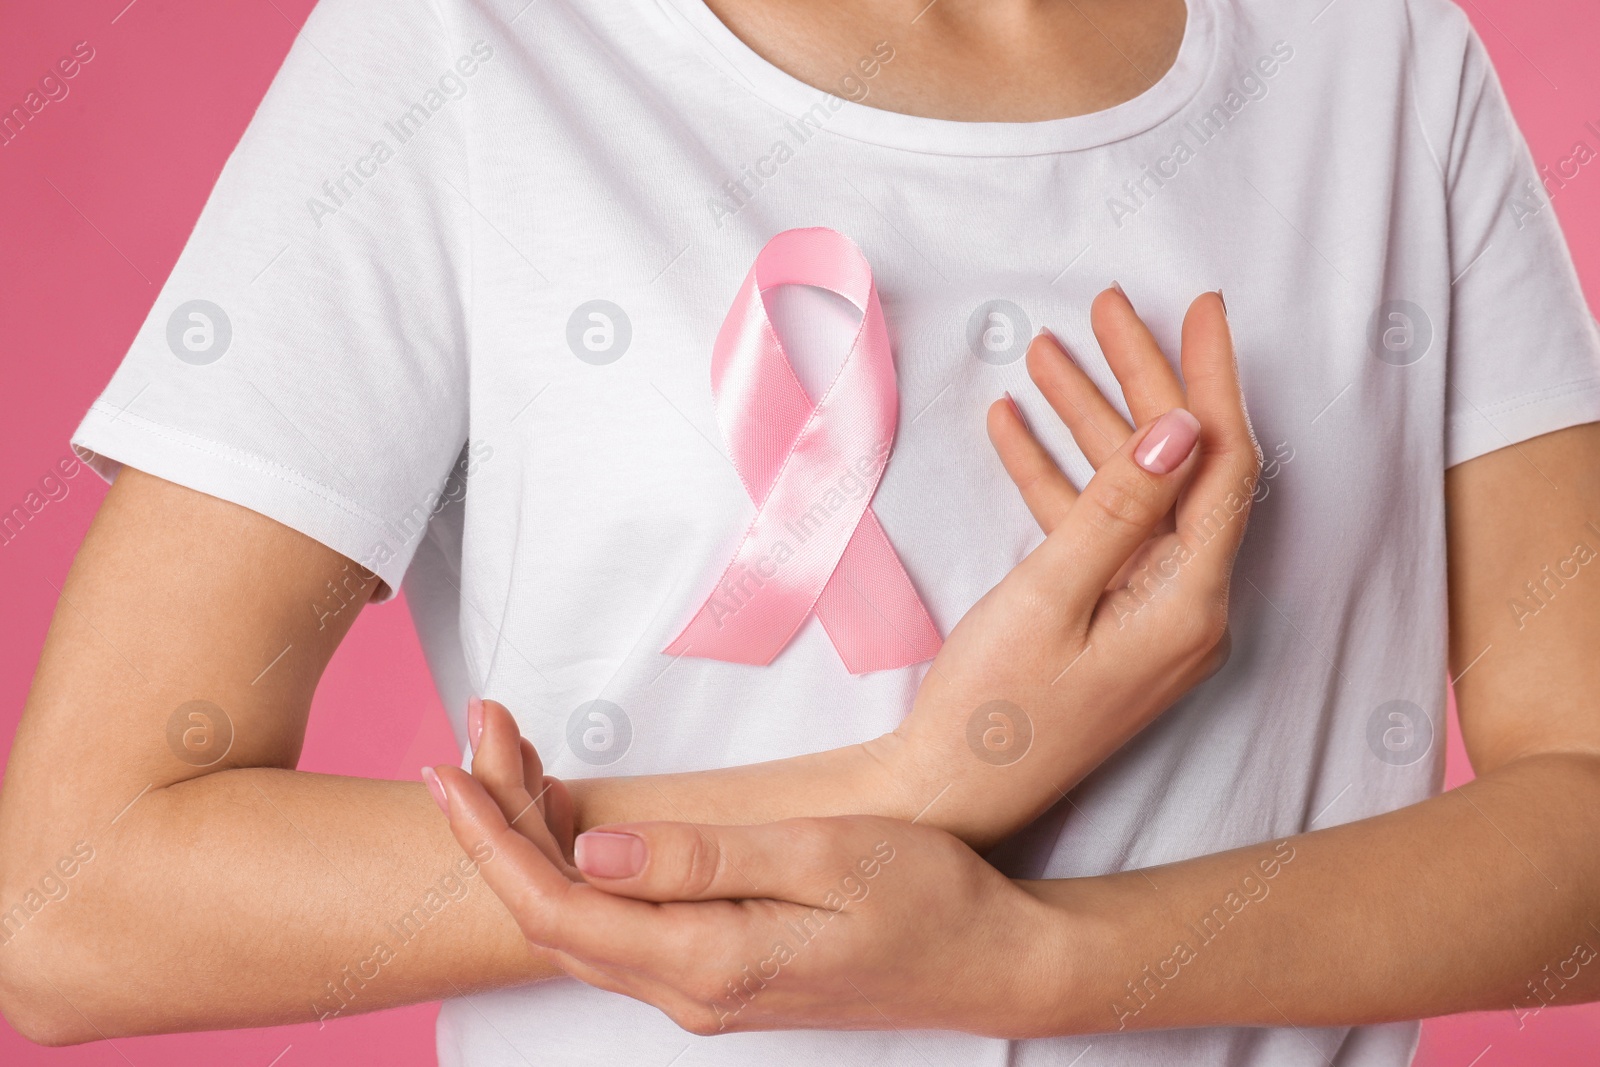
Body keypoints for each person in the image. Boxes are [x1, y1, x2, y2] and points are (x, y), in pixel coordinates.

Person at [1, 0, 1597, 1065]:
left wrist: (1034, 960)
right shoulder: (468, 47)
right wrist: (907, 785)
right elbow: (66, 901)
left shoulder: (1373, 52)